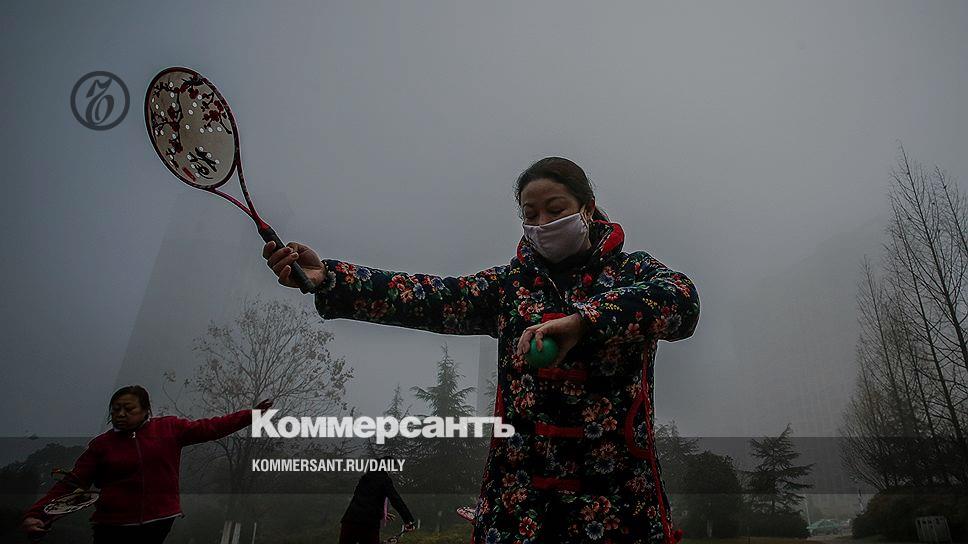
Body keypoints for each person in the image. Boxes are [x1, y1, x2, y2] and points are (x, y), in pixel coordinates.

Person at [263, 157, 700, 543]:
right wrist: (330, 278)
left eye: (555, 210)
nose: (542, 222)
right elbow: (425, 296)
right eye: (530, 214)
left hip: (617, 501)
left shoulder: (631, 272)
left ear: (587, 208)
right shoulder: (508, 287)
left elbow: (682, 301)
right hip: (518, 504)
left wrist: (584, 322)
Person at [21, 385, 271, 543]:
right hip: (112, 526)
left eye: (128, 408)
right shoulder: (102, 445)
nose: (121, 414)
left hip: (157, 521)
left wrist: (250, 416)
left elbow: (212, 427)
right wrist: (38, 515)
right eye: (115, 409)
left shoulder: (169, 429)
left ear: (145, 410)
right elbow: (72, 484)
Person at [339, 456, 416, 544]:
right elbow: (396, 499)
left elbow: (364, 500)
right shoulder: (384, 479)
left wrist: (381, 512)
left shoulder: (365, 478)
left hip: (349, 521)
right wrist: (408, 520)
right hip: (369, 524)